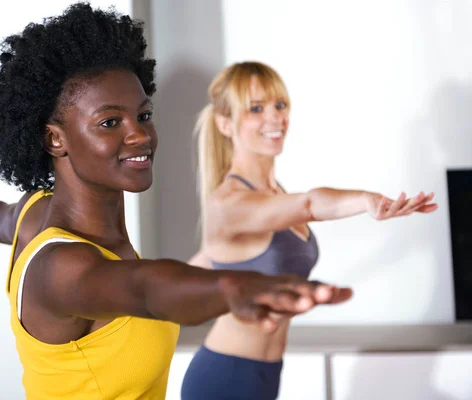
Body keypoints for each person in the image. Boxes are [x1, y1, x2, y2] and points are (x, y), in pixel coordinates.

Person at [0, 6, 353, 400]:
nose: (139, 134)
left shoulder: (34, 211)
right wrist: (232, 288)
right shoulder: (62, 268)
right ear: (54, 139)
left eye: (143, 115)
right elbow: (147, 288)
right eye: (109, 122)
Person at [181, 61, 438, 400]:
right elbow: (310, 205)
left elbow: (204, 265)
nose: (275, 118)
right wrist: (366, 200)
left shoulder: (276, 193)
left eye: (280, 105)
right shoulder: (226, 202)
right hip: (225, 376)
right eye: (256, 108)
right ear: (225, 124)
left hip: (266, 372)